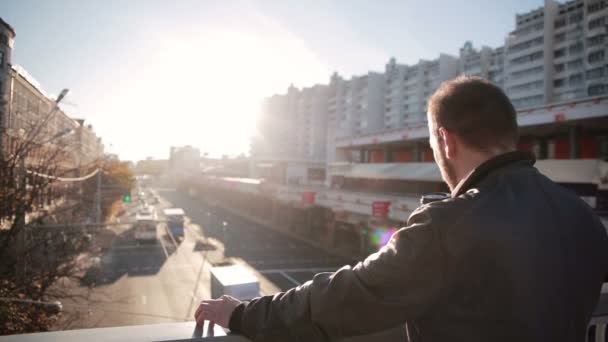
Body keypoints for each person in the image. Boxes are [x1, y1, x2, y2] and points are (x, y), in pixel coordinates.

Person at [194, 76, 608, 341]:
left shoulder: (451, 223)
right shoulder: (582, 217)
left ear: (444, 142)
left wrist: (245, 315)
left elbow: (348, 295)